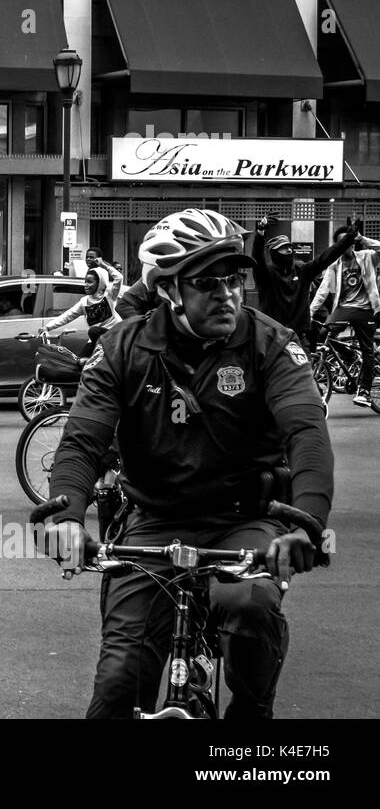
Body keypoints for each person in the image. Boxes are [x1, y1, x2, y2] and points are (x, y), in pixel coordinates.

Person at [44, 208, 332, 719]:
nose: (227, 294)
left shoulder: (271, 345)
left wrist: (307, 525)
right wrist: (67, 518)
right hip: (153, 522)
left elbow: (307, 436)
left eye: (234, 279)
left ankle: (251, 711)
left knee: (248, 608)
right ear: (169, 290)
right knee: (117, 687)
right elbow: (83, 441)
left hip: (243, 518)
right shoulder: (122, 348)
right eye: (207, 283)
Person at [253, 215, 370, 348]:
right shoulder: (266, 274)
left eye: (290, 247)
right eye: (284, 248)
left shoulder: (302, 270)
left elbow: (326, 258)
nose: (289, 250)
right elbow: (257, 259)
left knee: (306, 368)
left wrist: (349, 238)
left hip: (298, 337)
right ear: (274, 252)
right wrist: (260, 233)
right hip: (272, 337)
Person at [310, 223, 380, 408]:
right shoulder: (334, 266)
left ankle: (364, 391)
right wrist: (308, 313)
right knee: (324, 334)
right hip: (344, 309)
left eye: (349, 241)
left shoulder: (366, 257)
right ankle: (350, 357)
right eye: (342, 243)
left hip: (365, 309)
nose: (346, 245)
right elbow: (323, 291)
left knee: (368, 350)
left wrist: (362, 239)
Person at [40, 258, 125, 355]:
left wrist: (104, 265)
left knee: (93, 331)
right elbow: (67, 316)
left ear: (100, 283)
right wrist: (47, 327)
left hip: (115, 337)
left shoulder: (110, 295)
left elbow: (119, 278)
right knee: (80, 363)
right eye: (85, 281)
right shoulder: (84, 302)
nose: (86, 285)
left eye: (89, 282)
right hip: (97, 341)